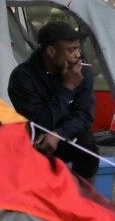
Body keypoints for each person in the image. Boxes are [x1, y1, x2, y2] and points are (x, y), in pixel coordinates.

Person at [7, 21, 99, 181]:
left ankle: (85, 197)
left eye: (78, 48)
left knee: (87, 145)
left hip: (67, 134)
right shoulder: (23, 77)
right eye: (71, 50)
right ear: (51, 51)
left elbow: (84, 115)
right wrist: (68, 87)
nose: (78, 54)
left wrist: (59, 134)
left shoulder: (81, 71)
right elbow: (41, 121)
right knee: (33, 148)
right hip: (37, 136)